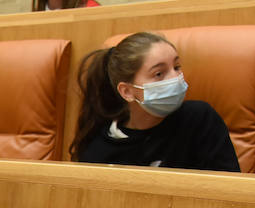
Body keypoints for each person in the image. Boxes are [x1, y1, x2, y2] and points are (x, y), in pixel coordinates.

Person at [71, 31, 240, 172]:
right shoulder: (99, 150)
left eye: (177, 67)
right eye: (159, 74)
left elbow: (230, 190)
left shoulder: (200, 119)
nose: (176, 78)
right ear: (127, 91)